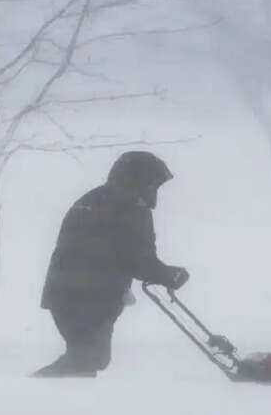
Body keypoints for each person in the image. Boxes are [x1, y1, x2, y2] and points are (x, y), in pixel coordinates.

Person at [32, 151, 189, 378]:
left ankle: (53, 395)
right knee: (88, 358)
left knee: (87, 357)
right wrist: (168, 275)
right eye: (153, 185)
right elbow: (136, 258)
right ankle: (37, 393)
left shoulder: (96, 200)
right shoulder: (130, 209)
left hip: (65, 295)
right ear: (141, 182)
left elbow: (118, 254)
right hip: (90, 299)